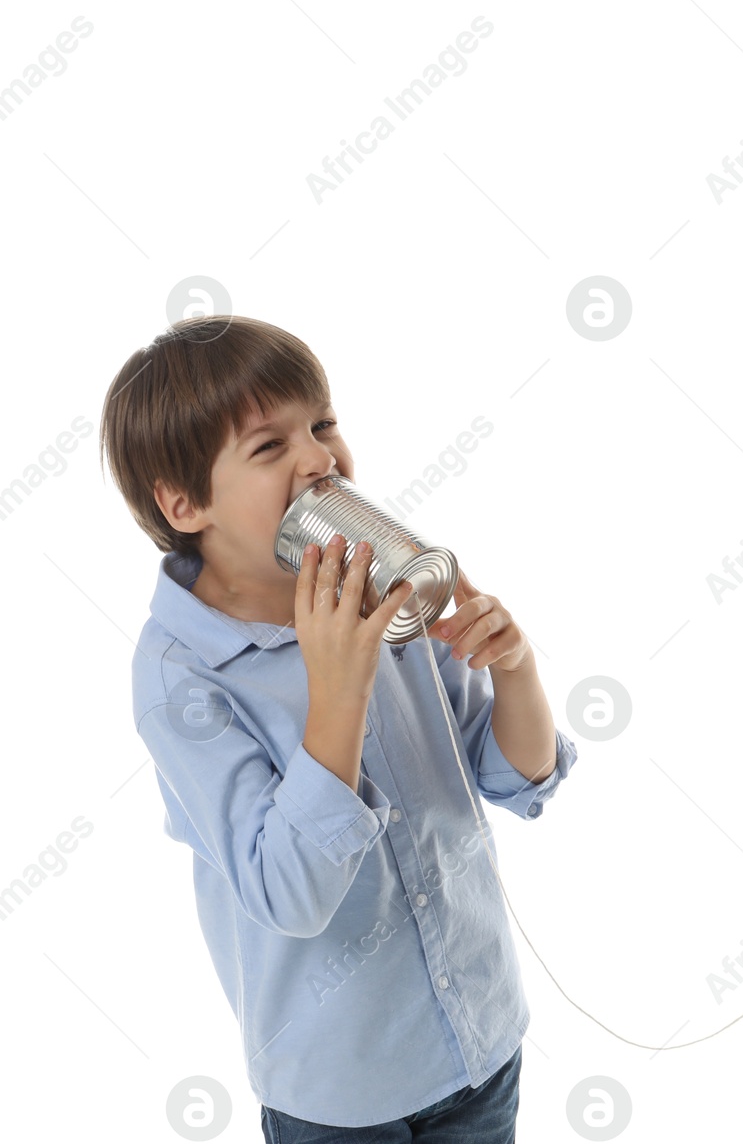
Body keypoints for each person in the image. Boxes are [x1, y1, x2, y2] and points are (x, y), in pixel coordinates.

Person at [100, 316, 578, 1140]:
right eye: (268, 446)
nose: (320, 458)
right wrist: (338, 691)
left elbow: (513, 778)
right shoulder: (180, 677)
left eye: (323, 424)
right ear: (184, 504)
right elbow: (288, 892)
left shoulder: (379, 581)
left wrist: (515, 668)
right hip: (341, 1090)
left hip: (479, 1031)